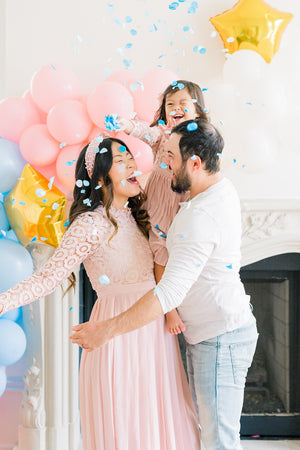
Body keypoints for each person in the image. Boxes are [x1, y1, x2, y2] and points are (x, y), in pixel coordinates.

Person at [0, 136, 201, 450]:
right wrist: (5, 300)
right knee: (128, 424)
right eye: (122, 161)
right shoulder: (89, 225)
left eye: (131, 158)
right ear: (101, 177)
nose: (133, 164)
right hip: (115, 334)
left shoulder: (138, 215)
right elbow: (47, 278)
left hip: (152, 331)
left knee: (160, 419)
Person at [70, 119, 259, 450]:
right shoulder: (218, 189)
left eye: (169, 156)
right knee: (212, 434)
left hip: (219, 338)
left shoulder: (198, 217)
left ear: (195, 163)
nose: (162, 164)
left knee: (218, 441)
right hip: (212, 333)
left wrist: (106, 329)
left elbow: (168, 292)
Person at [118, 80, 208, 335]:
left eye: (183, 103)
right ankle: (169, 311)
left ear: (197, 111)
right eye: (170, 104)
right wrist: (127, 126)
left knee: (182, 252)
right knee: (160, 252)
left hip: (184, 203)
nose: (175, 107)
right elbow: (145, 133)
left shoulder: (201, 139)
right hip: (159, 202)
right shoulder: (163, 134)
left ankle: (183, 301)